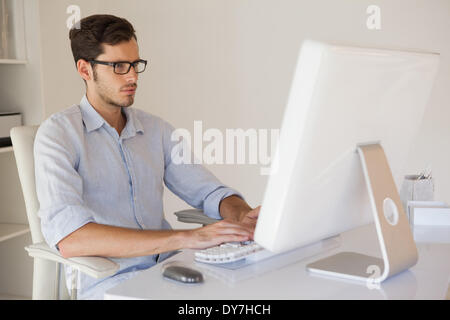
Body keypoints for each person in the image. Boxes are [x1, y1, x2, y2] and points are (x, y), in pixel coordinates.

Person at [34, 14, 260, 299]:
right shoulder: (58, 134)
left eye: (135, 64)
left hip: (168, 271)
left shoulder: (156, 130)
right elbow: (71, 238)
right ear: (85, 70)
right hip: (111, 284)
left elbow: (210, 192)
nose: (132, 76)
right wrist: (186, 237)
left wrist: (243, 216)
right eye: (118, 66)